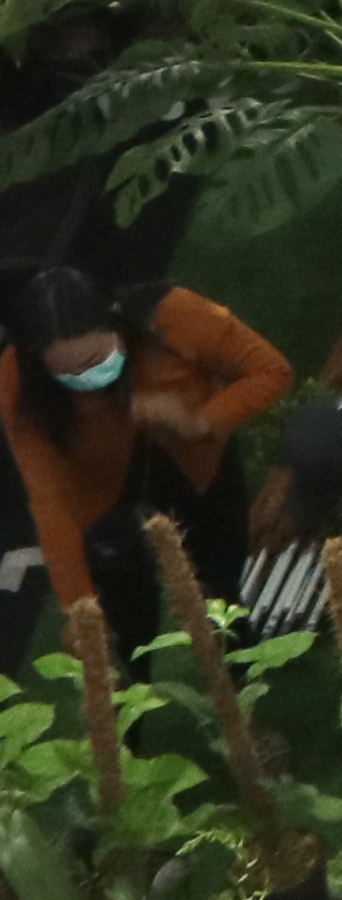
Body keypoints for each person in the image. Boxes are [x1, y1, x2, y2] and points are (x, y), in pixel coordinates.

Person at [0, 267, 290, 653]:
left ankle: (243, 685)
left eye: (94, 358)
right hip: (102, 492)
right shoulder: (16, 382)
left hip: (197, 465)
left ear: (116, 319)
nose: (87, 375)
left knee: (220, 593)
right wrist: (78, 608)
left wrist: (202, 420)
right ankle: (130, 699)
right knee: (121, 619)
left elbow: (271, 370)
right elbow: (50, 498)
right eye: (67, 372)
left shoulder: (176, 315)